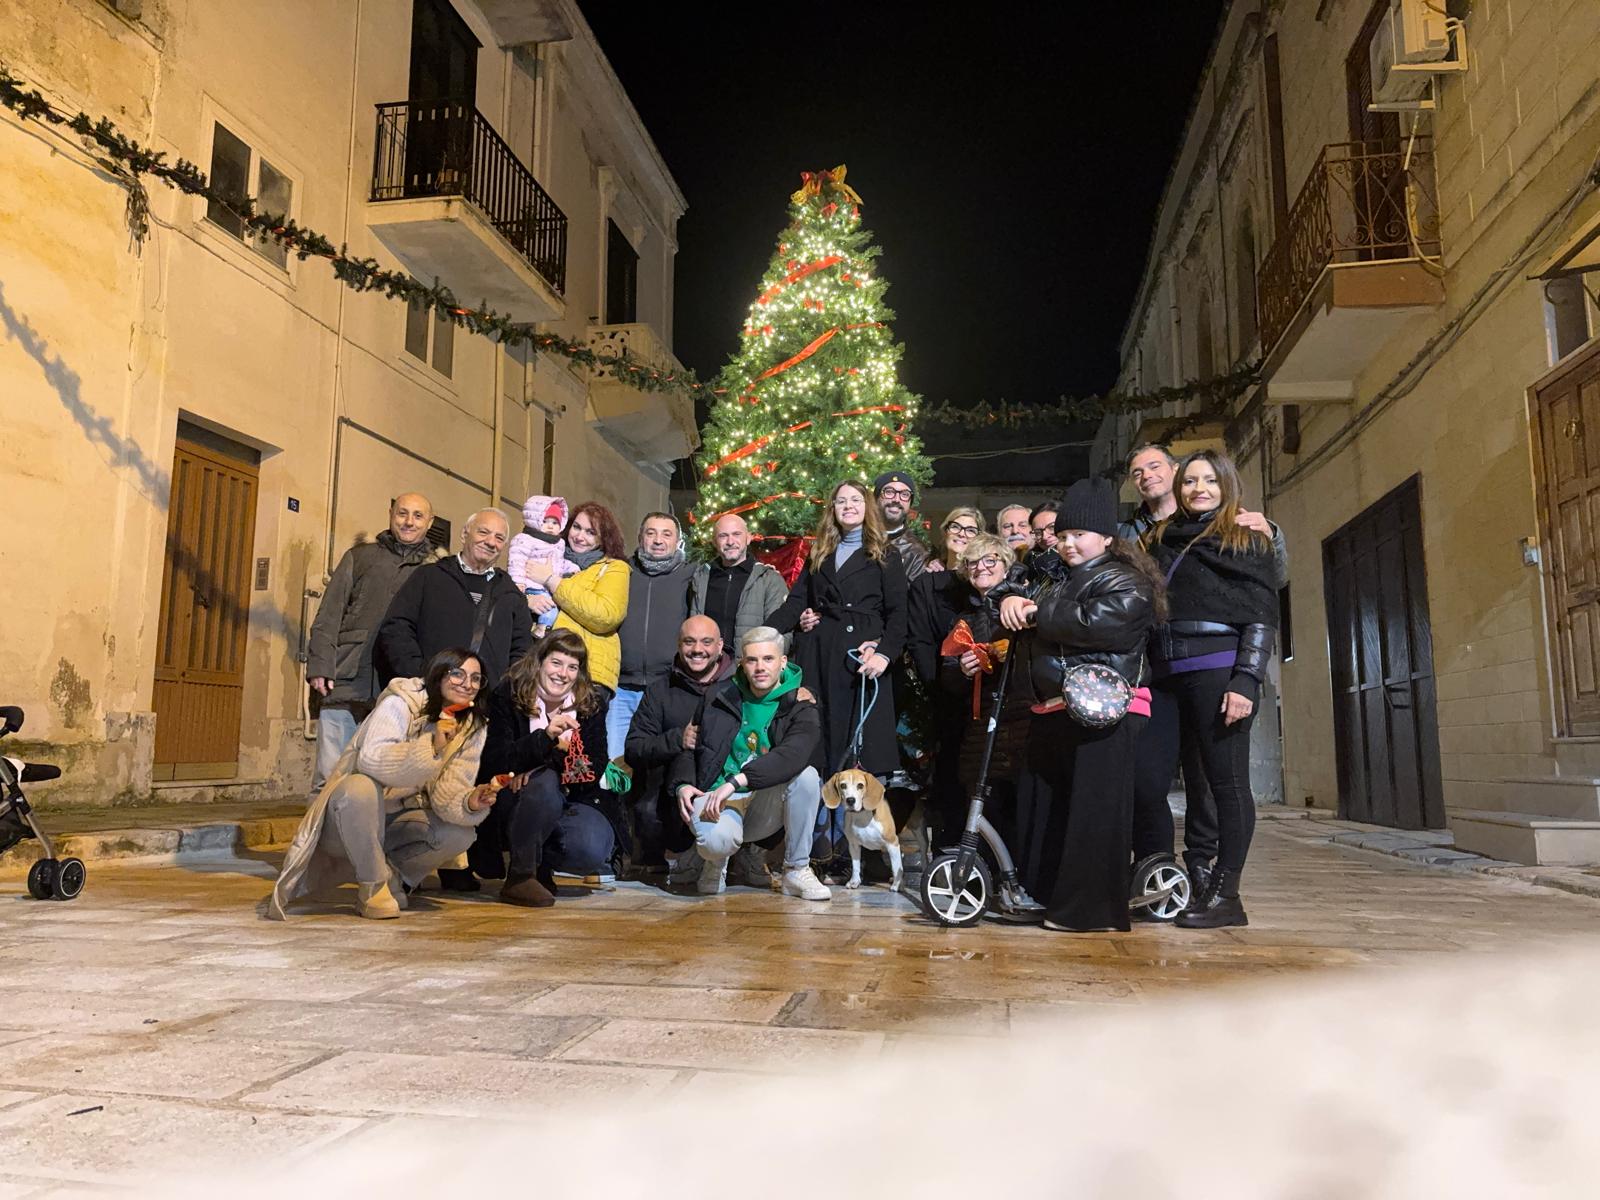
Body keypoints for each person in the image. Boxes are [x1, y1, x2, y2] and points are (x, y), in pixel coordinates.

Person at [999, 478, 1162, 933]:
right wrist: (1015, 598)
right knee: (1055, 813)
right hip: (1061, 709)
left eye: (1079, 535)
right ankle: (1053, 899)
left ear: (1106, 537)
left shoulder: (1124, 578)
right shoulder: (1064, 579)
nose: (1069, 543)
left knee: (1095, 815)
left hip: (1107, 712)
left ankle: (1090, 913)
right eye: (1064, 535)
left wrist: (1034, 612)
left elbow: (1101, 623)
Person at [1120, 442, 1286, 885]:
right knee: (1148, 778)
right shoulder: (1155, 539)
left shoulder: (1247, 536)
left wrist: (1247, 679)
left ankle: (1220, 885)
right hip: (1164, 675)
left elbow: (1261, 613)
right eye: (1191, 481)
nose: (1199, 488)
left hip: (1218, 669)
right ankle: (1167, 871)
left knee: (1220, 784)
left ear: (1226, 485)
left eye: (1210, 480)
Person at [269, 647, 496, 921]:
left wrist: (470, 801)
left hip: (394, 823)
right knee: (359, 788)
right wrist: (431, 746)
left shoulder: (471, 726)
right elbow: (372, 761)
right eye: (457, 674)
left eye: (475, 678)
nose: (467, 684)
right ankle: (373, 884)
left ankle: (391, 876)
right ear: (438, 674)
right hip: (348, 819)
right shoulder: (402, 702)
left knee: (460, 834)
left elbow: (447, 794)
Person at [769, 480, 908, 870]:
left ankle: (861, 856)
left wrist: (884, 653)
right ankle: (819, 852)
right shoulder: (819, 552)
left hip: (862, 664)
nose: (848, 506)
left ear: (868, 508)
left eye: (856, 500)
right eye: (841, 501)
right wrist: (766, 634)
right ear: (832, 509)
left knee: (859, 756)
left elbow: (899, 614)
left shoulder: (886, 555)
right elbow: (798, 601)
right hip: (820, 656)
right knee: (820, 750)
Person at [669, 626, 832, 901]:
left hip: (762, 802)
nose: (760, 667)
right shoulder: (719, 696)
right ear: (742, 663)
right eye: (752, 660)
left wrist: (738, 781)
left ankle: (796, 869)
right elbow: (691, 745)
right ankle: (714, 862)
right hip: (718, 798)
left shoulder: (801, 704)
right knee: (714, 842)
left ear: (783, 662)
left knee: (807, 776)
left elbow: (792, 755)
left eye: (768, 659)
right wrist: (683, 784)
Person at [305, 493, 440, 796]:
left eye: (418, 516)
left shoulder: (436, 571)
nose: (408, 521)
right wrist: (320, 666)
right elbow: (329, 614)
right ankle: (319, 843)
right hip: (345, 681)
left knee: (382, 782)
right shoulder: (360, 557)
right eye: (402, 513)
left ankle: (365, 843)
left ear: (429, 522)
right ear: (390, 514)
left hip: (399, 689)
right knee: (329, 776)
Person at [476, 629, 617, 907]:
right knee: (543, 784)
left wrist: (540, 764)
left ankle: (542, 868)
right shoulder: (509, 694)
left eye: (572, 667)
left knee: (592, 846)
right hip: (511, 802)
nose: (563, 673)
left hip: (571, 800)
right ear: (539, 662)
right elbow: (496, 760)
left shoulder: (590, 705)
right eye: (556, 662)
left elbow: (592, 769)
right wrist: (546, 738)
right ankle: (520, 876)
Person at [915, 533, 1029, 852]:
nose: (981, 567)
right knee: (983, 802)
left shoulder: (1024, 603)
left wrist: (1007, 655)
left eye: (989, 560)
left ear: (1006, 566)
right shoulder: (966, 618)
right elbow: (948, 675)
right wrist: (963, 672)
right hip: (982, 725)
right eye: (973, 562)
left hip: (1019, 723)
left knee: (1014, 802)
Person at [625, 616, 740, 881]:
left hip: (728, 789)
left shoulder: (739, 686)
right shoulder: (659, 691)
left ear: (720, 646)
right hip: (672, 795)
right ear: (678, 645)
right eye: (689, 642)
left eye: (706, 642)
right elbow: (634, 747)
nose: (697, 650)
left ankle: (742, 861)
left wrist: (803, 693)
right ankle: (657, 858)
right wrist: (678, 739)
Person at [376, 508, 532, 689]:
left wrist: (502, 691)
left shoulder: (512, 595)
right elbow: (397, 628)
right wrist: (420, 675)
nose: (490, 542)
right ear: (465, 534)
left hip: (484, 707)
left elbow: (523, 652)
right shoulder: (429, 577)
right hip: (429, 697)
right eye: (483, 532)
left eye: (499, 538)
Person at [523, 501, 629, 693]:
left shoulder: (614, 567)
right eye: (577, 527)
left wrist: (552, 581)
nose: (580, 537)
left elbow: (606, 615)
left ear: (603, 538)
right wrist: (528, 600)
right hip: (541, 667)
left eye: (591, 532)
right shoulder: (549, 555)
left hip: (588, 674)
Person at [688, 513, 790, 650]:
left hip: (750, 668)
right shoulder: (700, 578)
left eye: (736, 534)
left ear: (748, 538)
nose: (730, 542)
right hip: (709, 668)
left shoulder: (769, 580)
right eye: (723, 536)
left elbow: (782, 633)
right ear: (714, 541)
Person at [508, 494, 575, 630]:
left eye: (555, 522)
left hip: (548, 587)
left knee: (554, 609)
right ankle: (541, 629)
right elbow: (517, 560)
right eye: (545, 521)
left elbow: (559, 563)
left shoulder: (558, 543)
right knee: (550, 610)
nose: (550, 526)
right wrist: (518, 581)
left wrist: (572, 567)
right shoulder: (525, 539)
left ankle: (542, 628)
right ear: (535, 521)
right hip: (532, 586)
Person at [874, 470, 933, 581]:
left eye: (904, 494)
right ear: (876, 498)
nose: (896, 499)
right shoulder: (856, 538)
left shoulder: (916, 552)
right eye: (889, 492)